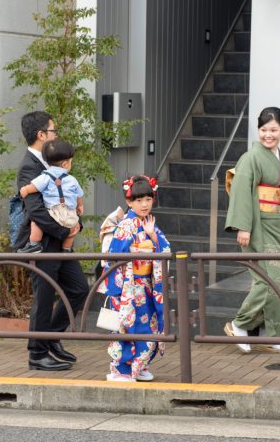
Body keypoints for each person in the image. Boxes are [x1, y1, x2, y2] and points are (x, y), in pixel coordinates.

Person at [224, 107, 280, 354]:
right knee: (266, 281)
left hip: (277, 226)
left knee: (278, 281)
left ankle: (270, 333)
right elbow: (240, 192)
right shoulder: (251, 158)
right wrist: (243, 226)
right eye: (264, 130)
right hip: (257, 226)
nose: (268, 135)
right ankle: (240, 324)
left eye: (274, 130)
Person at [15, 111, 89, 371]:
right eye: (54, 131)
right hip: (43, 242)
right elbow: (35, 210)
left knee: (79, 289)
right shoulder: (29, 167)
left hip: (60, 239)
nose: (57, 135)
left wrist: (75, 224)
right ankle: (37, 354)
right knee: (44, 296)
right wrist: (63, 232)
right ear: (41, 135)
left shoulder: (51, 162)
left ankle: (51, 338)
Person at [98, 175, 170, 382]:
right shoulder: (126, 225)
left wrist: (153, 236)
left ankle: (140, 365)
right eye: (139, 200)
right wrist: (118, 290)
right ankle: (121, 369)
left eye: (148, 199)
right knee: (128, 325)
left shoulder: (150, 223)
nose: (144, 204)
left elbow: (165, 249)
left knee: (149, 325)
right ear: (129, 202)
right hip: (128, 287)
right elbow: (115, 259)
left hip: (146, 285)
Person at [17, 139, 84, 254]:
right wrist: (80, 206)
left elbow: (35, 187)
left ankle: (34, 244)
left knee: (35, 222)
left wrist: (25, 189)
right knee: (73, 231)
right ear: (65, 164)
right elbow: (78, 195)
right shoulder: (72, 179)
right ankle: (66, 249)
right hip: (70, 213)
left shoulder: (46, 176)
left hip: (54, 213)